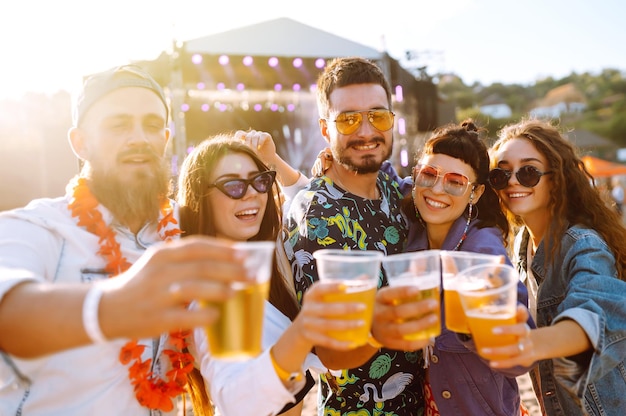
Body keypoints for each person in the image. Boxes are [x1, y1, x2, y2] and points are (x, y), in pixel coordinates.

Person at [0, 65, 254, 415]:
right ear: (80, 143)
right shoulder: (40, 226)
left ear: (165, 140)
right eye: (118, 125)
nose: (139, 138)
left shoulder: (183, 231)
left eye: (151, 125)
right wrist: (109, 307)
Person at [176, 134, 372, 416]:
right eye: (232, 185)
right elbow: (239, 399)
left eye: (260, 181)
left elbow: (312, 206)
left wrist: (272, 160)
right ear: (199, 197)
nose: (252, 193)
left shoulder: (261, 263)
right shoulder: (214, 296)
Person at [282, 57, 436, 415]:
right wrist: (381, 332)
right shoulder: (316, 213)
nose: (367, 132)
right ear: (325, 128)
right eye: (348, 119)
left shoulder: (390, 186)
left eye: (378, 116)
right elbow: (327, 354)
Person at [368, 120, 534, 415]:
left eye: (456, 182)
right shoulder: (417, 223)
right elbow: (384, 175)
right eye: (429, 175)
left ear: (476, 193)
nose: (438, 189)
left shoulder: (483, 252)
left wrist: (478, 327)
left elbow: (522, 359)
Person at [485, 118, 626, 415]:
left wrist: (528, 344)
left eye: (528, 171)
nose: (513, 181)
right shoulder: (521, 244)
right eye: (501, 174)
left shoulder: (582, 243)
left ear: (556, 177)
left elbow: (596, 312)